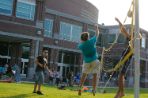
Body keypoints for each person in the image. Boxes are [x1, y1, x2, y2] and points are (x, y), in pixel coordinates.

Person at [114, 17, 142, 98]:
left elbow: (124, 30)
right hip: (125, 55)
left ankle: (121, 92)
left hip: (127, 56)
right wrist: (119, 22)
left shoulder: (134, 40)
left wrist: (119, 20)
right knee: (121, 75)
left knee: (121, 75)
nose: (131, 33)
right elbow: (123, 30)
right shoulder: (131, 39)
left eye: (132, 33)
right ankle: (120, 92)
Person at [78, 24, 101, 96]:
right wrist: (96, 28)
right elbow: (97, 34)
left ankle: (79, 89)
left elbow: (81, 43)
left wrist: (82, 40)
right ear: (88, 37)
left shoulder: (81, 46)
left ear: (82, 39)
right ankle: (94, 90)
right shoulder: (92, 41)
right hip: (94, 60)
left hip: (87, 61)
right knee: (95, 75)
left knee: (84, 75)